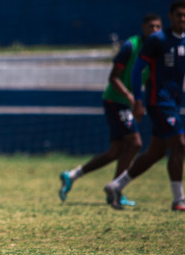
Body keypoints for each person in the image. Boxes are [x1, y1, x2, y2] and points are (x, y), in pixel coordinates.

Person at [58, 13, 162, 204]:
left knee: (115, 151)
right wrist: (131, 98)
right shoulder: (131, 46)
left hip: (129, 102)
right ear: (143, 27)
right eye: (151, 26)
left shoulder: (158, 51)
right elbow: (113, 78)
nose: (154, 30)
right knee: (136, 143)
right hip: (116, 100)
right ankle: (116, 190)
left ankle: (72, 175)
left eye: (158, 27)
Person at [104, 0, 185, 211]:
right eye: (179, 14)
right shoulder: (158, 40)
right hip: (158, 100)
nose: (182, 19)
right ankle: (179, 200)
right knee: (180, 144)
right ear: (170, 16)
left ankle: (116, 185)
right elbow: (137, 69)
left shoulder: (183, 42)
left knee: (155, 152)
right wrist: (138, 100)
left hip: (174, 102)